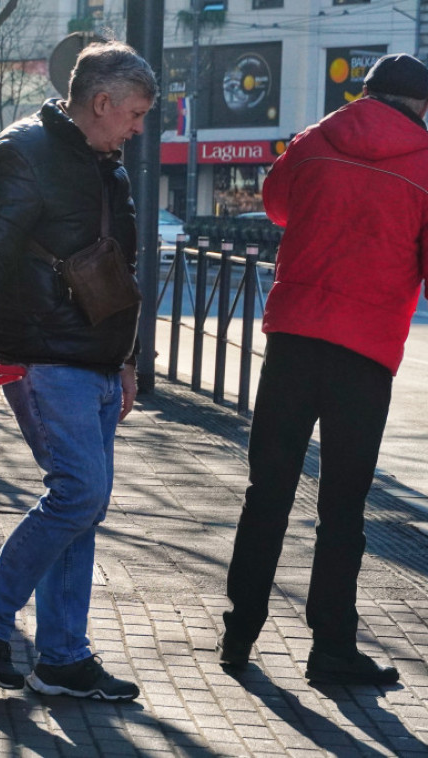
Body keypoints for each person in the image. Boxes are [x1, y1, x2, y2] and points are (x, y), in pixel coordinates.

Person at [0, 41, 156, 699]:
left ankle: (64, 657)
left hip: (94, 360)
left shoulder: (106, 163)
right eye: (136, 113)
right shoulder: (21, 152)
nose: (139, 127)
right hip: (44, 356)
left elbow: (120, 266)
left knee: (81, 509)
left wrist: (125, 359)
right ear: (102, 102)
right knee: (79, 495)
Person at [218, 53, 428, 686]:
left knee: (268, 492)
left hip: (294, 337)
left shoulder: (315, 139)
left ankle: (240, 635)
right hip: (366, 351)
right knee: (343, 506)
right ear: (420, 105)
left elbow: (277, 206)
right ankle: (331, 648)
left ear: (364, 93)